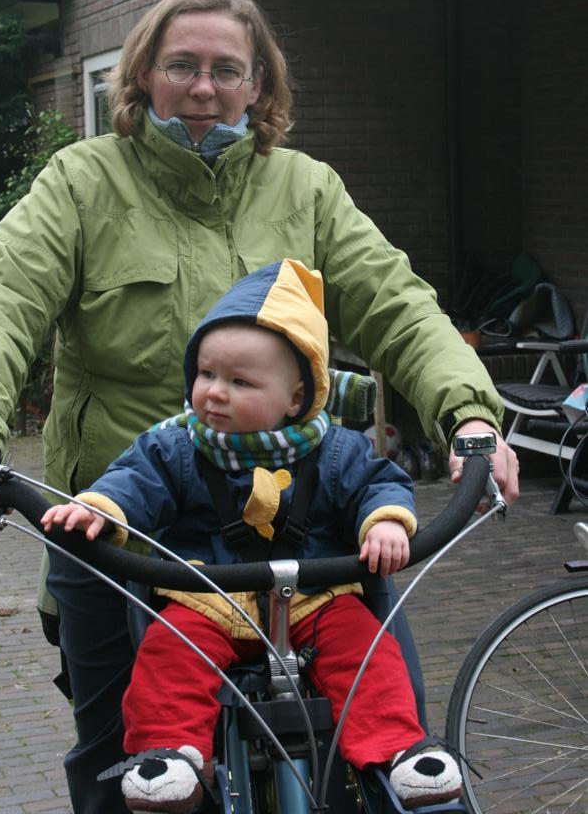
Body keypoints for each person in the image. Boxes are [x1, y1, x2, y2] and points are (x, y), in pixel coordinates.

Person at [0, 0, 518, 812]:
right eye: (181, 65)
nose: (203, 87)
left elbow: (396, 305)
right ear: (142, 75)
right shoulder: (81, 183)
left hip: (307, 531)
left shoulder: (304, 188)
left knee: (389, 744)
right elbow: (2, 304)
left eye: (226, 69)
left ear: (257, 84)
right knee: (123, 766)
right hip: (123, 530)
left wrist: (469, 415)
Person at [41, 259, 463, 812]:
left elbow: (377, 482)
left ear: (295, 398)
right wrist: (101, 509)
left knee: (366, 652)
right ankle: (170, 755)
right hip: (209, 598)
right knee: (169, 655)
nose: (214, 393)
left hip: (313, 597)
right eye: (206, 373)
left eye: (239, 382)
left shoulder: (335, 448)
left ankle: (398, 750)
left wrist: (384, 522)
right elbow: (135, 479)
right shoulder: (177, 444)